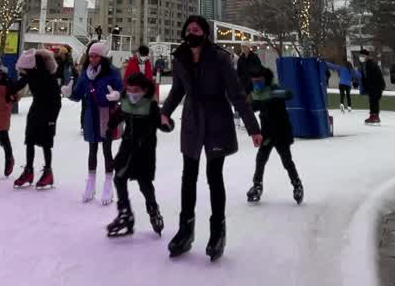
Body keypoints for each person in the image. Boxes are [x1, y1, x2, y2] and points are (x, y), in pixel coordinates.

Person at [161, 15, 262, 261]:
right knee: (188, 176)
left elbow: (236, 94)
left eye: (196, 28)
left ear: (205, 33)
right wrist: (164, 112)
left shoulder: (220, 58)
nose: (191, 31)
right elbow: (177, 90)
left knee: (214, 177)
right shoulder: (181, 57)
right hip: (193, 121)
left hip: (217, 119)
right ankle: (186, 230)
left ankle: (218, 232)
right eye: (188, 28)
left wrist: (253, 127)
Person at [104, 71, 173, 238]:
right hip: (127, 148)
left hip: (145, 151)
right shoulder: (126, 103)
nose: (132, 94)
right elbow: (117, 116)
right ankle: (125, 213)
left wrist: (167, 123)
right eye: (129, 90)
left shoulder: (151, 107)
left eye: (136, 90)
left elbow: (164, 125)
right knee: (119, 178)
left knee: (144, 183)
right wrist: (109, 128)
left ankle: (153, 210)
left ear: (144, 90)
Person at [65, 40, 124, 205]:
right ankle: (90, 183)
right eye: (90, 56)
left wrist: (117, 95)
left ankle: (108, 184)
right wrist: (69, 93)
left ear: (103, 57)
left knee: (106, 149)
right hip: (91, 115)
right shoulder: (85, 73)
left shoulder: (113, 72)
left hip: (106, 113)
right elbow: (77, 95)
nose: (92, 59)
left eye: (96, 56)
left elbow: (122, 89)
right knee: (92, 149)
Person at [246, 67, 303, 205]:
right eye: (254, 81)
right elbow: (253, 106)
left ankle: (297, 185)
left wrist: (274, 95)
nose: (256, 84)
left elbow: (288, 95)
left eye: (258, 81)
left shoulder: (274, 90)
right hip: (266, 132)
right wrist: (245, 101)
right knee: (261, 159)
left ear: (265, 80)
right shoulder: (258, 93)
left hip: (280, 132)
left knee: (286, 161)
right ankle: (257, 185)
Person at [10, 48, 60, 190]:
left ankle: (48, 172)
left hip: (47, 112)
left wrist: (52, 119)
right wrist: (7, 89)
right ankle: (29, 170)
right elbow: (16, 86)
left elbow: (57, 100)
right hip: (36, 110)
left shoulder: (49, 79)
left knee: (45, 143)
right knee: (30, 141)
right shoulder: (30, 75)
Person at [360, 50, 385, 126]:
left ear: (367, 56)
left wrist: (380, 86)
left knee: (374, 101)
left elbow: (376, 76)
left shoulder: (371, 64)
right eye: (360, 56)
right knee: (372, 101)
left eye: (363, 56)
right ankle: (373, 116)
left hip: (375, 86)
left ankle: (375, 117)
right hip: (372, 86)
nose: (361, 58)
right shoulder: (366, 64)